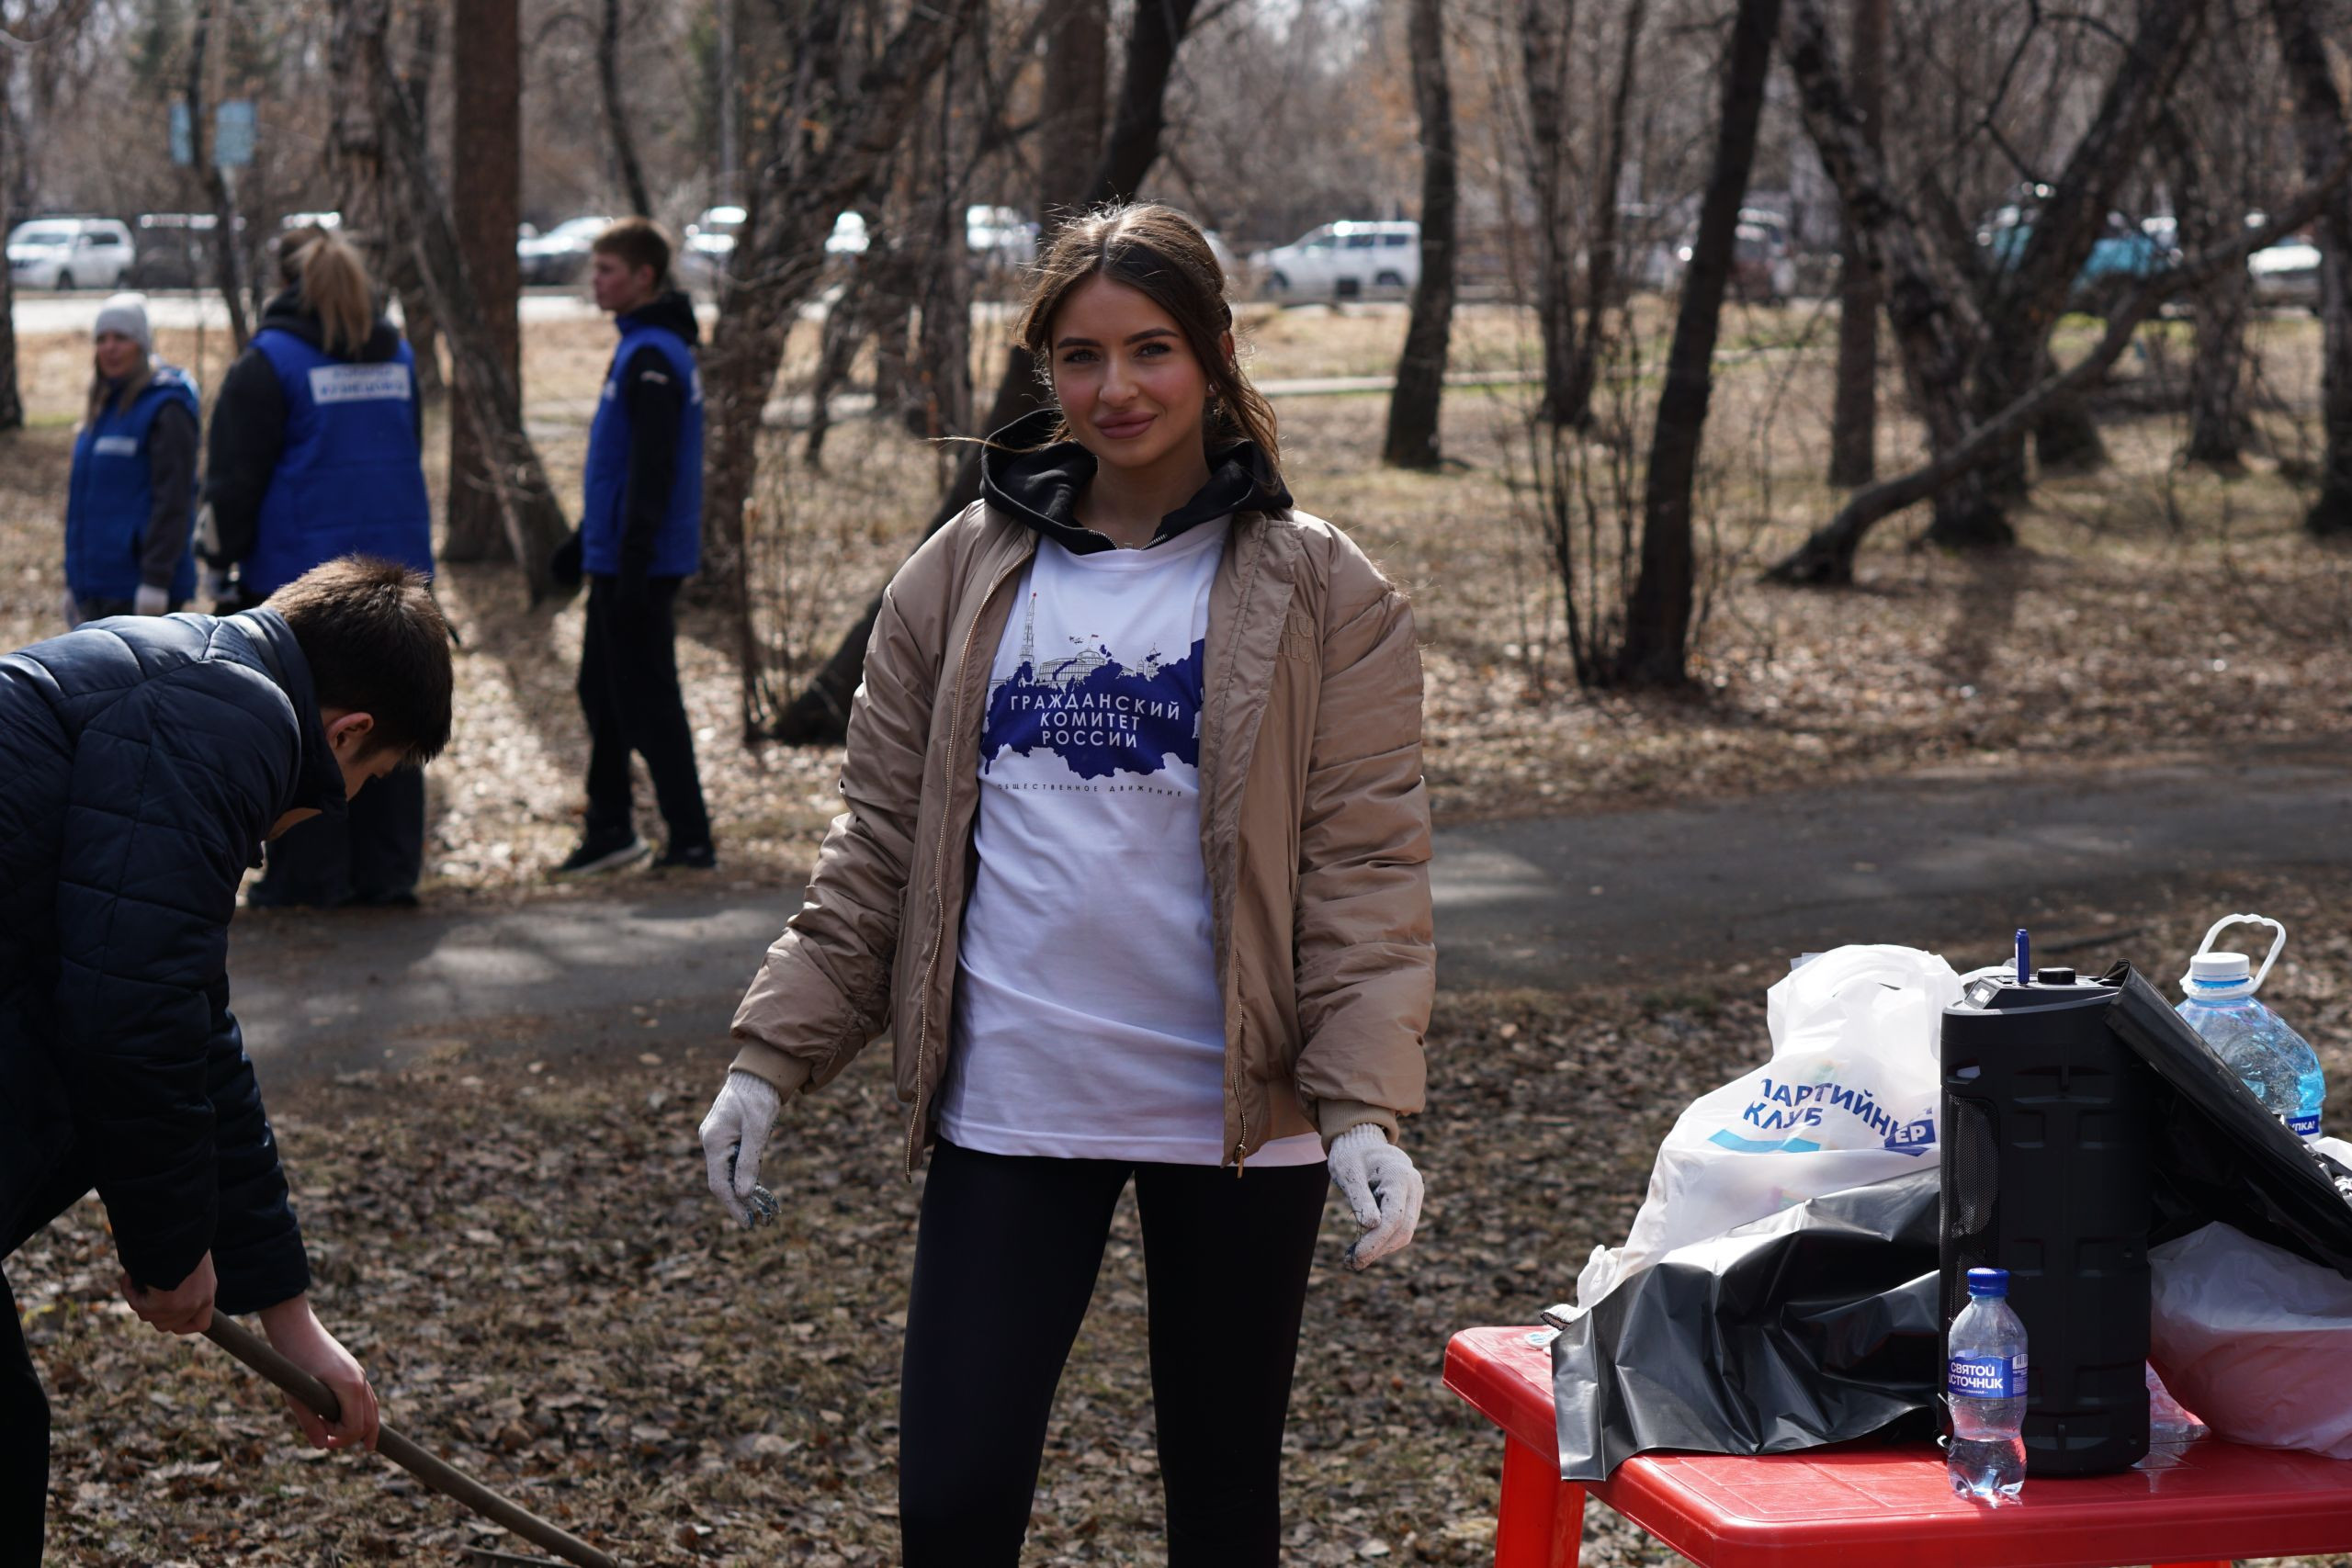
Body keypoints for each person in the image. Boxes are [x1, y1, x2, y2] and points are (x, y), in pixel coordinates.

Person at [697, 203, 1433, 1565]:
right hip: (1015, 1102)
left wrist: (1361, 1106)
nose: (1117, 388)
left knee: (1223, 1507)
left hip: (1237, 1114)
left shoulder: (1329, 589)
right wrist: (768, 1058)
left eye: (1151, 349)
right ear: (1046, 369)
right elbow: (878, 847)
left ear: (1213, 355)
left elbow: (1363, 865)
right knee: (955, 1504)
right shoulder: (960, 571)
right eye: (1081, 356)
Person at [0, 556, 453, 1562]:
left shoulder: (193, 682)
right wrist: (169, 1252)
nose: (341, 803)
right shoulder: (232, 717)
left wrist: (287, 1316)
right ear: (347, 735)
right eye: (365, 783)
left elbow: (189, 1018)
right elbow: (131, 1009)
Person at [202, 227, 435, 908]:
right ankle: (388, 874)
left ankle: (309, 879)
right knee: (394, 717)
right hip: (399, 574)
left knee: (311, 729)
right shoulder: (399, 356)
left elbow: (233, 482)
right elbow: (408, 447)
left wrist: (219, 568)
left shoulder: (269, 363)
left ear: (283, 282)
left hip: (303, 581)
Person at [552, 217, 715, 876]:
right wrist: (579, 542)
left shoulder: (653, 355)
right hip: (617, 554)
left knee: (647, 696)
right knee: (603, 689)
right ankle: (611, 827)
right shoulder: (643, 346)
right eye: (595, 270)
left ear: (644, 277)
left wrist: (633, 563)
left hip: (639, 564)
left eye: (608, 270)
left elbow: (654, 472)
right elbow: (619, 468)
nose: (597, 282)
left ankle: (692, 837)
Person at [62, 294, 198, 627]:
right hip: (97, 586)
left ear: (142, 343)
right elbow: (82, 506)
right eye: (101, 339)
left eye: (121, 338)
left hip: (140, 590)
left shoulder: (167, 407)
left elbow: (174, 500)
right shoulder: (103, 405)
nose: (110, 348)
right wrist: (73, 581)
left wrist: (155, 581)